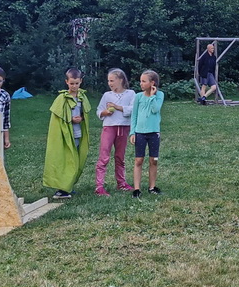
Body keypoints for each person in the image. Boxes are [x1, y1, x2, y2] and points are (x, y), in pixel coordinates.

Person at [44, 68, 93, 199]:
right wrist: (70, 119)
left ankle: (68, 186)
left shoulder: (82, 97)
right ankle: (61, 189)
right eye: (72, 83)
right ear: (66, 82)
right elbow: (57, 118)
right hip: (65, 135)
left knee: (75, 160)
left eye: (77, 83)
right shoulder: (62, 98)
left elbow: (84, 114)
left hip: (77, 133)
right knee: (66, 160)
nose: (74, 86)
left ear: (81, 81)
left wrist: (81, 118)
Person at [95, 68, 136, 196]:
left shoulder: (131, 93)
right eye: (109, 81)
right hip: (109, 127)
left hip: (123, 128)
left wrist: (117, 107)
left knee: (120, 157)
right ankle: (99, 186)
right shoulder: (107, 95)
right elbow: (99, 111)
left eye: (112, 81)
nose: (110, 83)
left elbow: (133, 109)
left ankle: (121, 183)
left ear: (121, 80)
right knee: (104, 157)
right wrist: (105, 112)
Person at [129, 69, 165, 198]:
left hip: (154, 133)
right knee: (139, 160)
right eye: (141, 81)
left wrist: (152, 96)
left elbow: (155, 109)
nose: (141, 83)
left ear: (152, 83)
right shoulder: (138, 96)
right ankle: (137, 189)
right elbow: (134, 115)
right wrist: (132, 132)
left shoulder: (159, 95)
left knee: (153, 160)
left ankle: (152, 187)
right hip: (140, 133)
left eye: (144, 81)